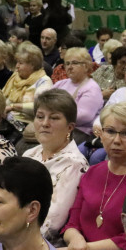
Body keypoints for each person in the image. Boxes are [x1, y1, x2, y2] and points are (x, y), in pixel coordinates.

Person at [61, 103, 126, 250]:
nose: (116, 140)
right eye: (110, 131)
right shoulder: (93, 171)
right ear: (101, 134)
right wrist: (75, 239)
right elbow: (72, 222)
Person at [23, 89, 89, 240]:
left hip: (41, 242)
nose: (45, 123)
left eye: (54, 118)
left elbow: (52, 223)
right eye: (40, 117)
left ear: (70, 127)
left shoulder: (74, 164)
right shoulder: (29, 154)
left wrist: (17, 239)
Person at [53, 47, 104, 137]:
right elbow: (44, 102)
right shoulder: (60, 84)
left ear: (86, 66)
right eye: (67, 63)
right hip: (57, 127)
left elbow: (84, 116)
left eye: (75, 63)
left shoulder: (91, 87)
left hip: (79, 133)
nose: (70, 67)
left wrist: (53, 116)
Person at [3, 42, 52, 125]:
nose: (17, 66)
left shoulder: (44, 81)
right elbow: (1, 96)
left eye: (20, 63)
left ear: (32, 65)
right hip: (5, 121)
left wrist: (12, 107)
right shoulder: (15, 77)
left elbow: (42, 107)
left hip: (27, 126)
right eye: (17, 62)